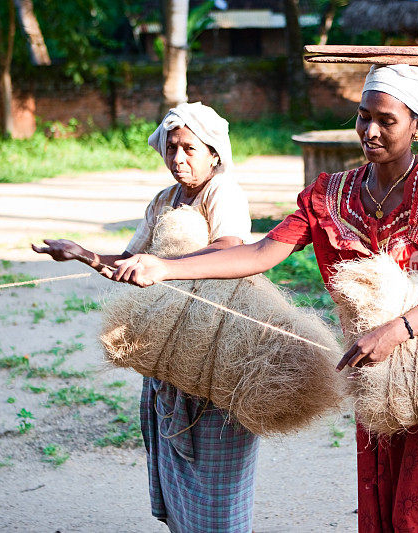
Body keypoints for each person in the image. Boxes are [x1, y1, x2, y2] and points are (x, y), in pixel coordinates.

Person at [108, 65, 418, 532]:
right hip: (380, 374)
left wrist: (394, 332)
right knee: (380, 504)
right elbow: (260, 252)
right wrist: (165, 267)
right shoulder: (333, 193)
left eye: (387, 120)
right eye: (362, 115)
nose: (370, 130)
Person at [32, 102, 260, 532]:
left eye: (190, 149)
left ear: (214, 153)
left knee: (216, 476)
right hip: (169, 351)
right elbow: (132, 262)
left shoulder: (223, 192)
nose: (179, 159)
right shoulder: (164, 200)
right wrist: (81, 253)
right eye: (172, 148)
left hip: (216, 350)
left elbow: (230, 247)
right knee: (177, 471)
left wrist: (163, 265)